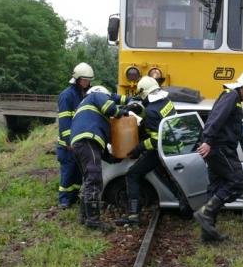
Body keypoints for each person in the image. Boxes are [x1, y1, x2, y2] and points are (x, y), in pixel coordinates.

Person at [193, 69, 243, 243]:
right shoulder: (231, 96)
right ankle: (206, 213)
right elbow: (216, 118)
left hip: (217, 148)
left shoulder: (232, 97)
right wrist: (208, 140)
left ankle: (208, 234)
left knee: (216, 187)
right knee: (237, 183)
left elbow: (222, 120)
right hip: (221, 149)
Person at [115, 76, 176, 226]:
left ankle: (133, 216)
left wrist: (138, 148)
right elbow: (157, 117)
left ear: (145, 93)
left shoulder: (151, 111)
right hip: (173, 145)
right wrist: (138, 110)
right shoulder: (166, 102)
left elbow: (156, 140)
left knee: (133, 174)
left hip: (161, 150)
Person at [70, 85, 130, 230]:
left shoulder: (88, 112)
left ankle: (84, 216)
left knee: (88, 179)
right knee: (95, 179)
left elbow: (100, 146)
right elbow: (111, 109)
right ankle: (93, 220)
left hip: (81, 143)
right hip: (87, 140)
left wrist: (112, 158)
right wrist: (122, 112)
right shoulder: (96, 96)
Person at [56, 62, 94, 209]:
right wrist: (68, 142)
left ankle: (74, 197)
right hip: (67, 146)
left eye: (89, 80)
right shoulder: (67, 96)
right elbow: (64, 123)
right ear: (77, 79)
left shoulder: (82, 94)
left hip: (78, 142)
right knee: (68, 173)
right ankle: (64, 200)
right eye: (85, 80)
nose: (88, 83)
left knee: (78, 173)